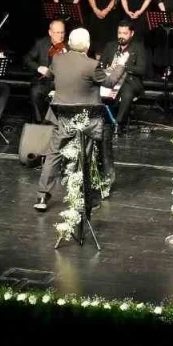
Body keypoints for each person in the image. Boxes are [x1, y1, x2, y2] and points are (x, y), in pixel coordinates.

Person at [34, 28, 124, 212]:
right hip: (86, 119)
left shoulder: (57, 59)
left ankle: (42, 195)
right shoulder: (92, 65)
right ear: (87, 45)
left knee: (54, 154)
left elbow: (50, 75)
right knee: (86, 155)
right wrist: (121, 65)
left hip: (62, 116)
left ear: (69, 43)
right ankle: (85, 198)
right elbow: (109, 83)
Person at [22, 19, 66, 121]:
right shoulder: (41, 43)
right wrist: (39, 67)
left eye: (62, 32)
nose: (60, 36)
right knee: (35, 92)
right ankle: (39, 122)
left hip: (62, 82)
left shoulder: (68, 45)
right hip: (44, 81)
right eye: (57, 32)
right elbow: (26, 59)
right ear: (50, 32)